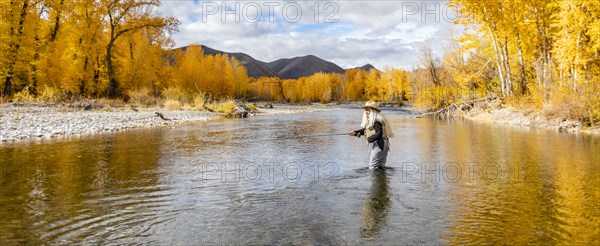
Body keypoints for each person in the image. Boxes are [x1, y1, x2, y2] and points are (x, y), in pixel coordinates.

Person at [349, 101, 394, 170]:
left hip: (380, 144)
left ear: (373, 110)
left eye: (368, 110)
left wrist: (368, 139)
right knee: (381, 166)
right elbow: (367, 130)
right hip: (384, 143)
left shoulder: (376, 120)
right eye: (365, 110)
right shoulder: (375, 119)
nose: (366, 111)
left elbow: (379, 133)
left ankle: (375, 180)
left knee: (372, 166)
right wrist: (355, 132)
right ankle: (383, 180)